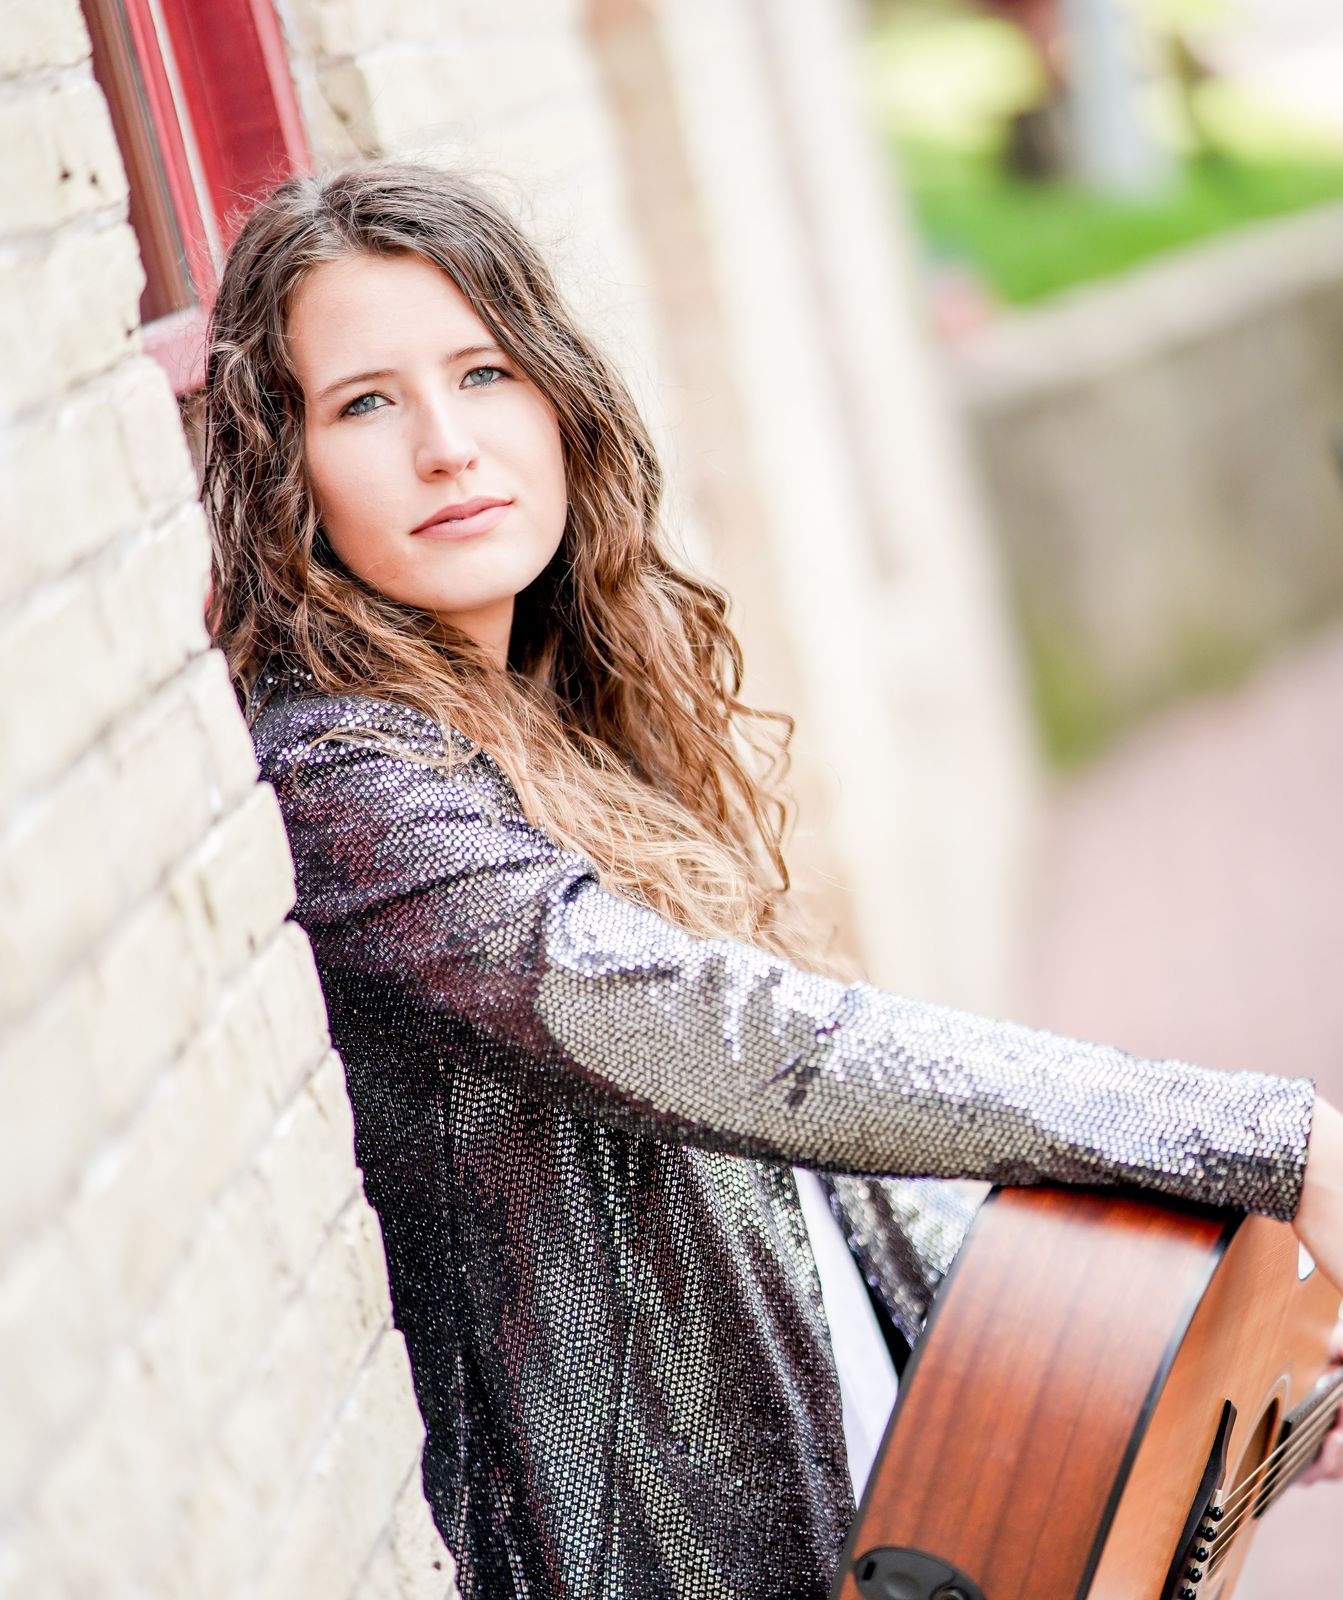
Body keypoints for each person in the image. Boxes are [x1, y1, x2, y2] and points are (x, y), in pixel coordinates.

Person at [201, 159, 1343, 1599]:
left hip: (889, 1518)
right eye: (364, 403)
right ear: (287, 474)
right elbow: (737, 1048)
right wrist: (1267, 1138)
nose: (447, 445)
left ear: (560, 401)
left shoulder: (569, 723)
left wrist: (1221, 1388)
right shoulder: (348, 777)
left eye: (484, 372)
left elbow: (817, 1191)